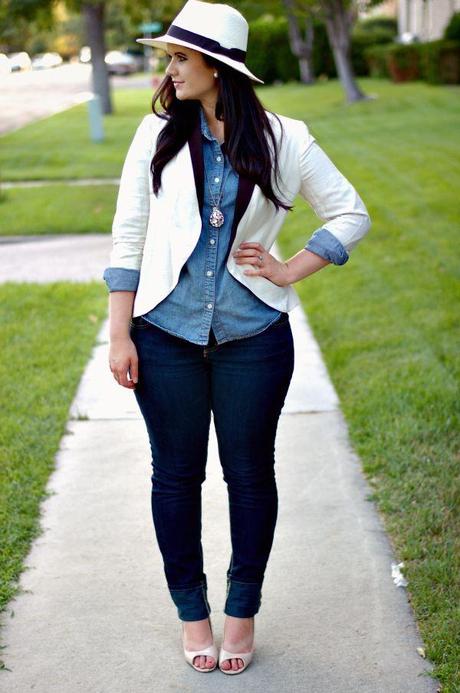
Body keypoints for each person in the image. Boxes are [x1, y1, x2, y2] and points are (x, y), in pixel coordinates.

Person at [102, 0, 371, 676]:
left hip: (254, 336)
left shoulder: (287, 138)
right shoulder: (157, 133)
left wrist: (289, 268)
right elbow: (128, 234)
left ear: (217, 68)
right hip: (163, 335)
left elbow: (349, 211)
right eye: (169, 56)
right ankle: (193, 612)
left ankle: (242, 609)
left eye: (180, 57)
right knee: (176, 476)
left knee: (250, 475)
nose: (170, 69)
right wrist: (119, 333)